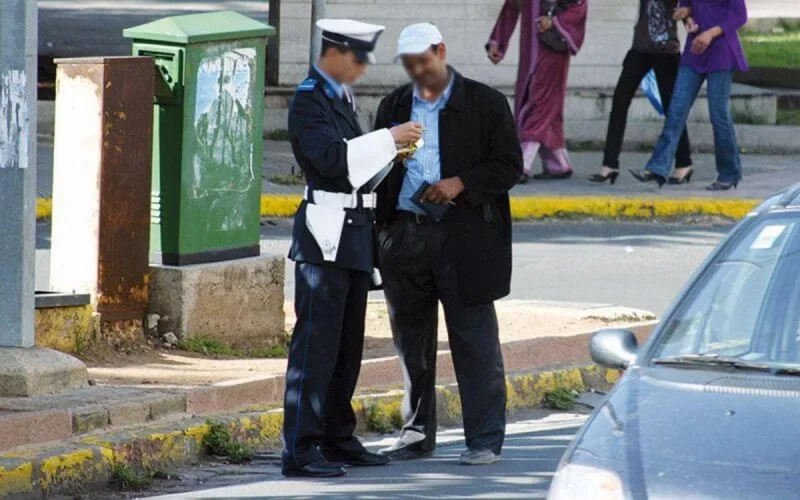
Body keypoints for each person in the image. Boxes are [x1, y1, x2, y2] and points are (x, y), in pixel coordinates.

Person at [374, 23, 522, 466]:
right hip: (405, 233)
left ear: (441, 51)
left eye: (424, 60)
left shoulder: (485, 103)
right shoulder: (394, 105)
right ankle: (417, 433)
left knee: (474, 341)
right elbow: (375, 168)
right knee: (411, 342)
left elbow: (509, 165)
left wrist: (462, 183)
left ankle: (483, 439)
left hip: (464, 237)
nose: (418, 70)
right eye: (409, 64)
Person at [282, 18, 423, 478]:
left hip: (354, 231)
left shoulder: (340, 96)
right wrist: (387, 139)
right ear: (335, 52)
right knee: (315, 347)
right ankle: (300, 449)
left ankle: (337, 437)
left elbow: (356, 171)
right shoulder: (308, 98)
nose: (362, 70)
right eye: (358, 59)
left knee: (346, 346)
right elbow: (328, 160)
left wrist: (392, 154)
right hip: (324, 232)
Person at [630, 0, 748, 190]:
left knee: (719, 115)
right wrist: (687, 18)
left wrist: (710, 33)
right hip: (695, 51)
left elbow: (740, 16)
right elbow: (684, 10)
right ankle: (658, 168)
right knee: (676, 109)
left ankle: (729, 173)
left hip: (721, 52)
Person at [591, 0, 694, 185]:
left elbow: (688, 8)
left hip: (666, 51)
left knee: (672, 109)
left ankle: (684, 163)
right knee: (620, 101)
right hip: (639, 49)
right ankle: (609, 165)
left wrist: (686, 14)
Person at [487, 0, 588, 183]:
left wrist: (555, 22)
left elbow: (578, 5)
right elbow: (512, 6)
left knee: (539, 103)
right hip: (530, 51)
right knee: (539, 102)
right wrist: (497, 42)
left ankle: (520, 164)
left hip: (551, 48)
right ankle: (558, 163)